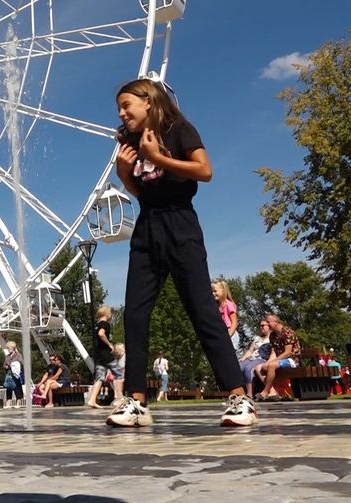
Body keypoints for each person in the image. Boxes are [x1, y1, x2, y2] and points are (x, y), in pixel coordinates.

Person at [106, 78, 257, 428]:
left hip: (181, 224)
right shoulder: (129, 142)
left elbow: (204, 171)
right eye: (119, 108)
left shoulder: (179, 130)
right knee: (135, 314)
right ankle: (137, 401)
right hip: (147, 227)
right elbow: (141, 193)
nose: (122, 113)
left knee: (202, 309)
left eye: (127, 105)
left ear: (148, 101)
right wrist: (124, 173)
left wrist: (158, 157)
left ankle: (239, 396)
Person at [254, 314, 302, 401]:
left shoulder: (287, 332)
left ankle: (265, 392)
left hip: (293, 360)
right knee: (259, 367)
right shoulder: (273, 335)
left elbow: (287, 353)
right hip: (280, 360)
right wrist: (267, 363)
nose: (267, 324)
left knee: (272, 366)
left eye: (268, 322)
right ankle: (272, 392)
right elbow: (273, 353)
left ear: (276, 322)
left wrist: (272, 363)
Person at [86, 306, 115, 409]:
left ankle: (92, 400)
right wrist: (109, 344)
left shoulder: (97, 325)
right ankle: (119, 398)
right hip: (105, 353)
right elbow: (101, 334)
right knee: (118, 372)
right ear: (107, 313)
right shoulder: (105, 324)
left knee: (100, 377)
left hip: (98, 354)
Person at [238, 320, 273, 398]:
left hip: (262, 359)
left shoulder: (272, 338)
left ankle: (249, 393)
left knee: (248, 368)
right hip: (252, 358)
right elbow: (250, 350)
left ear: (269, 326)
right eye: (260, 326)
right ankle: (238, 392)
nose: (261, 327)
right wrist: (243, 358)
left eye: (263, 325)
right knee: (238, 366)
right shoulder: (257, 338)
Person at [212, 280, 240, 351]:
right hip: (222, 333)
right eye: (212, 292)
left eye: (215, 291)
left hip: (230, 333)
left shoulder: (228, 304)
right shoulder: (217, 306)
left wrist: (229, 335)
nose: (213, 293)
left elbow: (234, 323)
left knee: (230, 355)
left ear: (223, 291)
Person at [2, 340, 24, 409]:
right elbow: (4, 365)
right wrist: (6, 366)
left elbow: (22, 363)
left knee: (17, 387)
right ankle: (8, 403)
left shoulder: (18, 355)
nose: (8, 350)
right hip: (9, 374)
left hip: (16, 374)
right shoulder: (7, 356)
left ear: (13, 348)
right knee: (9, 388)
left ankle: (18, 403)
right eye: (7, 348)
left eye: (9, 348)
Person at [107, 343, 127, 407]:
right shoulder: (118, 358)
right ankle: (119, 396)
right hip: (121, 375)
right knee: (113, 379)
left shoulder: (124, 357)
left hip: (124, 376)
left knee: (116, 379)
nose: (115, 352)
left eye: (116, 350)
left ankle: (119, 397)